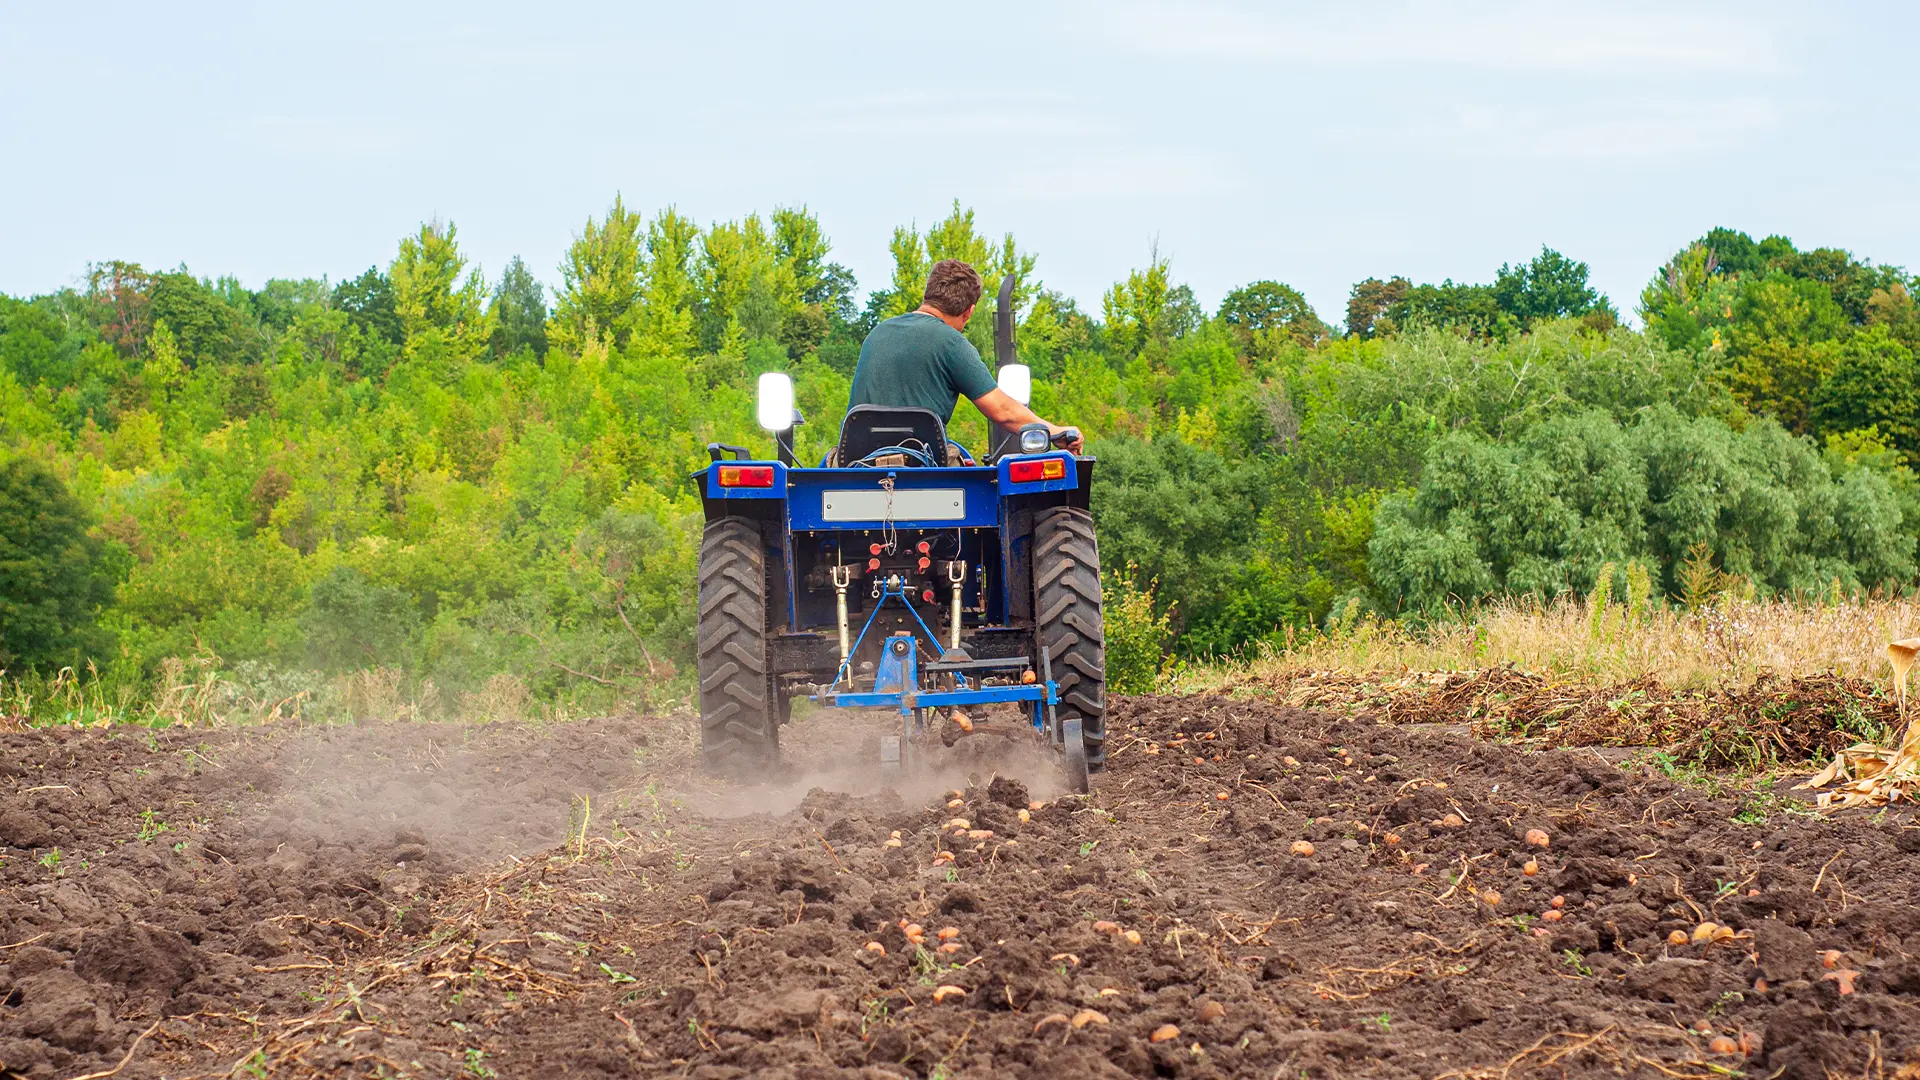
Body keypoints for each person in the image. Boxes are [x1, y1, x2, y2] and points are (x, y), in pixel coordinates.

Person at [848, 259, 1083, 455]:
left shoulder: (878, 332)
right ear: (968, 312)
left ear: (927, 295)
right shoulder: (951, 342)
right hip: (920, 463)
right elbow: (1003, 411)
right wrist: (1055, 432)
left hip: (855, 460)